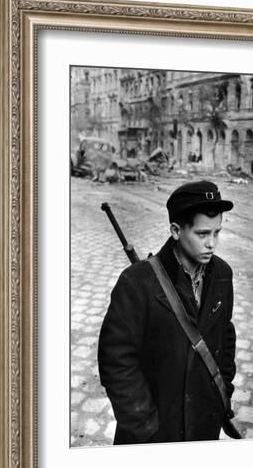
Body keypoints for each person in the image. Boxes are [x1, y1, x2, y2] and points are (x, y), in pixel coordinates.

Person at [98, 181, 237, 445]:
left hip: (203, 426)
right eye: (202, 234)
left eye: (217, 233)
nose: (212, 244)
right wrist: (144, 426)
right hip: (157, 432)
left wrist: (223, 391)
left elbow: (226, 337)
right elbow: (116, 360)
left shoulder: (222, 274)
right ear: (176, 230)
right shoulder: (137, 282)